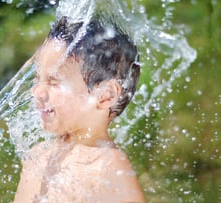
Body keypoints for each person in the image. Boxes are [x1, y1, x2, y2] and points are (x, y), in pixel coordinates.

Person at [13, 16, 145, 203]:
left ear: (105, 95)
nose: (37, 92)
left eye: (54, 81)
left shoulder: (106, 167)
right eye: (38, 79)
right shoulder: (37, 155)